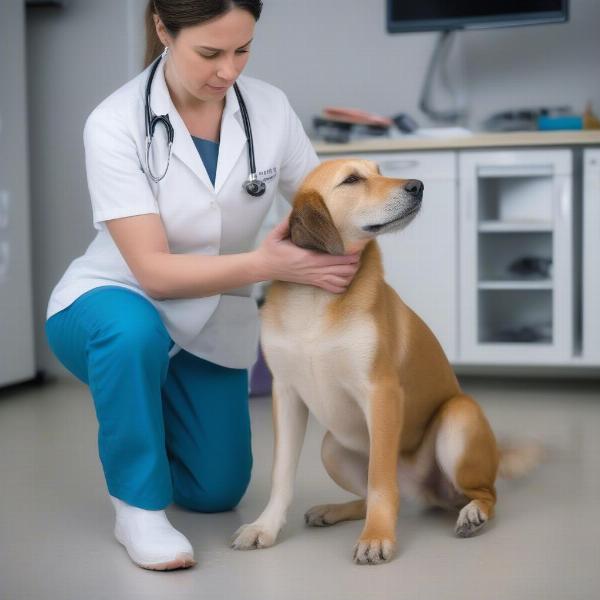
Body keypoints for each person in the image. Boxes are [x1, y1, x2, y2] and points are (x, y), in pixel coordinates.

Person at [45, 0, 360, 572]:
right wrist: (271, 265)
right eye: (210, 53)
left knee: (217, 491)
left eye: (243, 50)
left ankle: (149, 397)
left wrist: (361, 231)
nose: (229, 70)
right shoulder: (115, 122)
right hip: (111, 300)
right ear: (163, 29)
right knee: (132, 334)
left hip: (210, 315)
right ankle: (136, 508)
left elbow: (322, 208)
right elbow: (155, 273)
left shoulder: (269, 109)